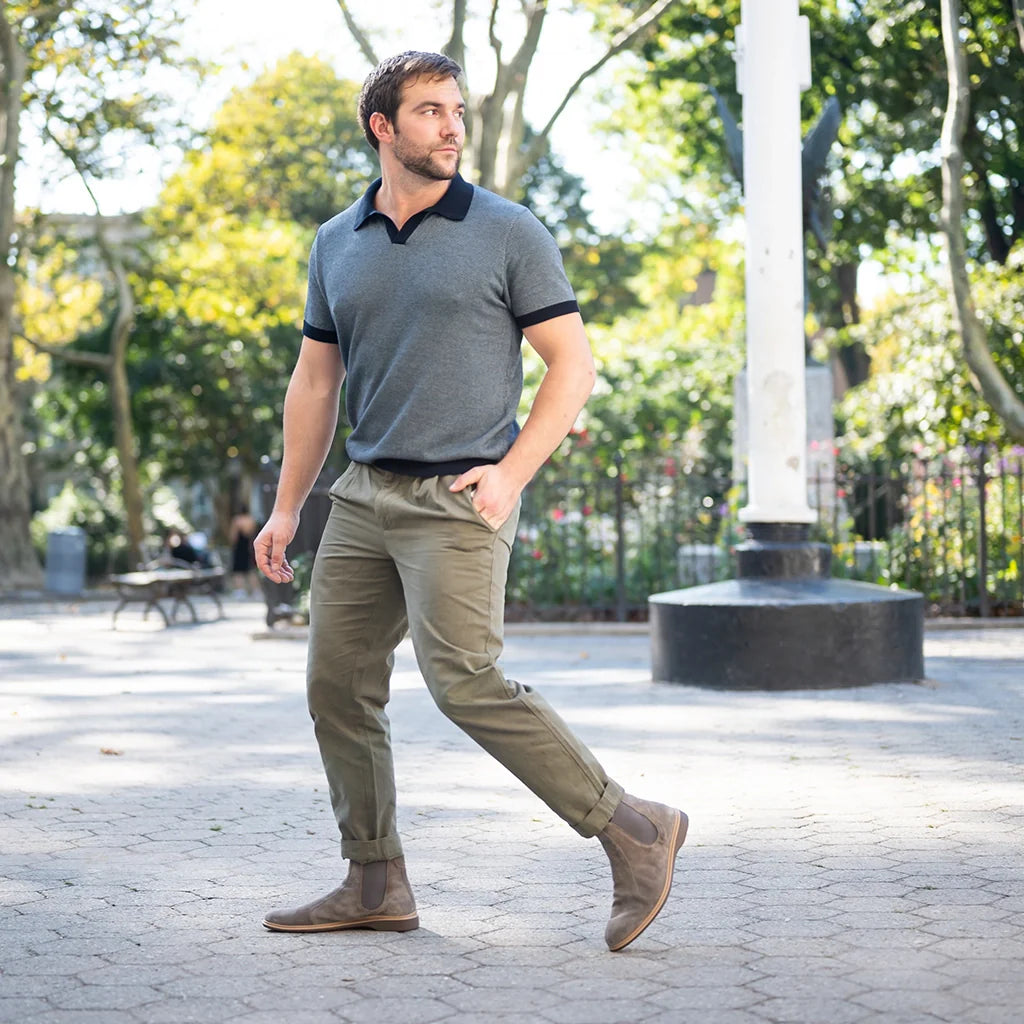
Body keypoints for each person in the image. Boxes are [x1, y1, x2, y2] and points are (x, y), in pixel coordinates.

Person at [254, 51, 687, 952]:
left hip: (460, 494)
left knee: (465, 682)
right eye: (431, 111)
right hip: (364, 494)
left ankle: (635, 830)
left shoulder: (507, 230)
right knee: (336, 685)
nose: (453, 126)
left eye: (457, 109)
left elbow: (572, 365)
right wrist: (289, 508)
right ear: (382, 126)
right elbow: (315, 381)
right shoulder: (336, 242)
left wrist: (512, 472)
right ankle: (374, 879)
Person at [228, 505, 258, 596]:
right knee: (251, 570)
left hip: (239, 548)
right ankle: (256, 590)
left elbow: (233, 537)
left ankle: (240, 590)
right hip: (250, 547)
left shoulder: (237, 520)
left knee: (238, 570)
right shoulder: (251, 520)